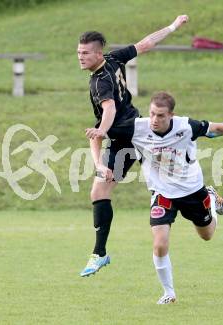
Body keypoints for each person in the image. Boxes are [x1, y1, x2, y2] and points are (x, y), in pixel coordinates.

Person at [130, 91, 223, 304]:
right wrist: (99, 163)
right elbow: (102, 133)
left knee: (207, 235)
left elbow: (216, 128)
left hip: (192, 191)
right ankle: (169, 293)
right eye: (152, 114)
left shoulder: (186, 126)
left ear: (171, 115)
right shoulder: (137, 127)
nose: (155, 119)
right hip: (162, 194)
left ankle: (210, 197)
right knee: (160, 244)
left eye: (161, 115)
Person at [77, 15, 190, 277]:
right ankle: (100, 254)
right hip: (122, 137)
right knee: (99, 191)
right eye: (78, 52)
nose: (80, 57)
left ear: (98, 53)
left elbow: (109, 108)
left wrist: (101, 130)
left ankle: (205, 193)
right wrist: (172, 27)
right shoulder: (114, 59)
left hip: (137, 133)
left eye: (85, 53)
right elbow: (146, 43)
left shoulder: (99, 81)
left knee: (170, 182)